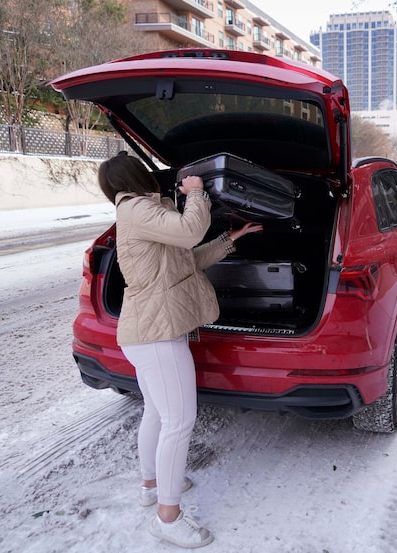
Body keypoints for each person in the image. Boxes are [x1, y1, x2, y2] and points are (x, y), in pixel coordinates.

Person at [97, 152, 262, 548]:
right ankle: (167, 518)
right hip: (156, 333)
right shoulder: (137, 208)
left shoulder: (141, 213)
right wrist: (196, 192)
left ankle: (151, 486)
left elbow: (186, 260)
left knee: (158, 412)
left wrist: (229, 239)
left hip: (148, 332)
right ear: (139, 177)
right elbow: (190, 231)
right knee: (180, 421)